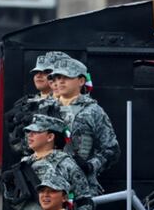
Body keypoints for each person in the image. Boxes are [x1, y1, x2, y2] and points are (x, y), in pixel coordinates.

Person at [51, 57, 119, 192]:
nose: (61, 81)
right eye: (57, 77)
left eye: (67, 76)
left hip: (81, 186)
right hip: (49, 185)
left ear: (81, 81)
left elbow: (111, 149)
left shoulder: (93, 111)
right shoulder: (45, 109)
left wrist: (90, 166)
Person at [21, 114, 97, 210]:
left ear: (50, 137)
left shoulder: (66, 164)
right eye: (29, 132)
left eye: (37, 132)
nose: (30, 135)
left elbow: (83, 200)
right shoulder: (24, 164)